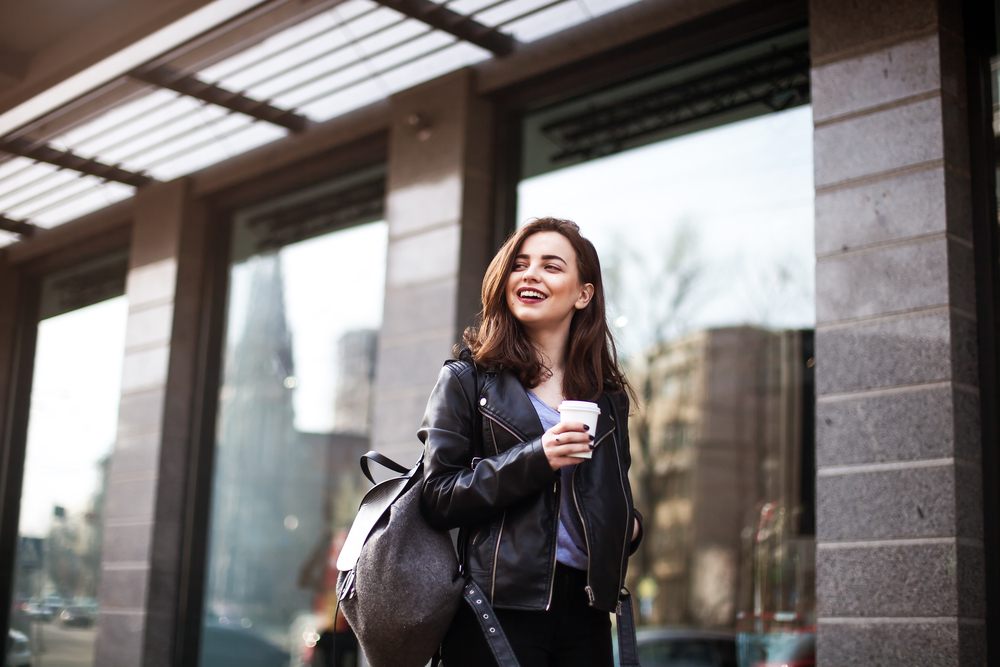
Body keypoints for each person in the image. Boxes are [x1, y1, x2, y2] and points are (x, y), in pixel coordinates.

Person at [419, 217, 643, 667]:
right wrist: (538, 457)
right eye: (520, 264)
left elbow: (610, 495)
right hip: (496, 606)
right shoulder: (466, 380)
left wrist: (631, 529)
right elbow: (438, 496)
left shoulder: (607, 397)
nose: (531, 275)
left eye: (551, 266)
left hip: (588, 609)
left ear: (583, 294)